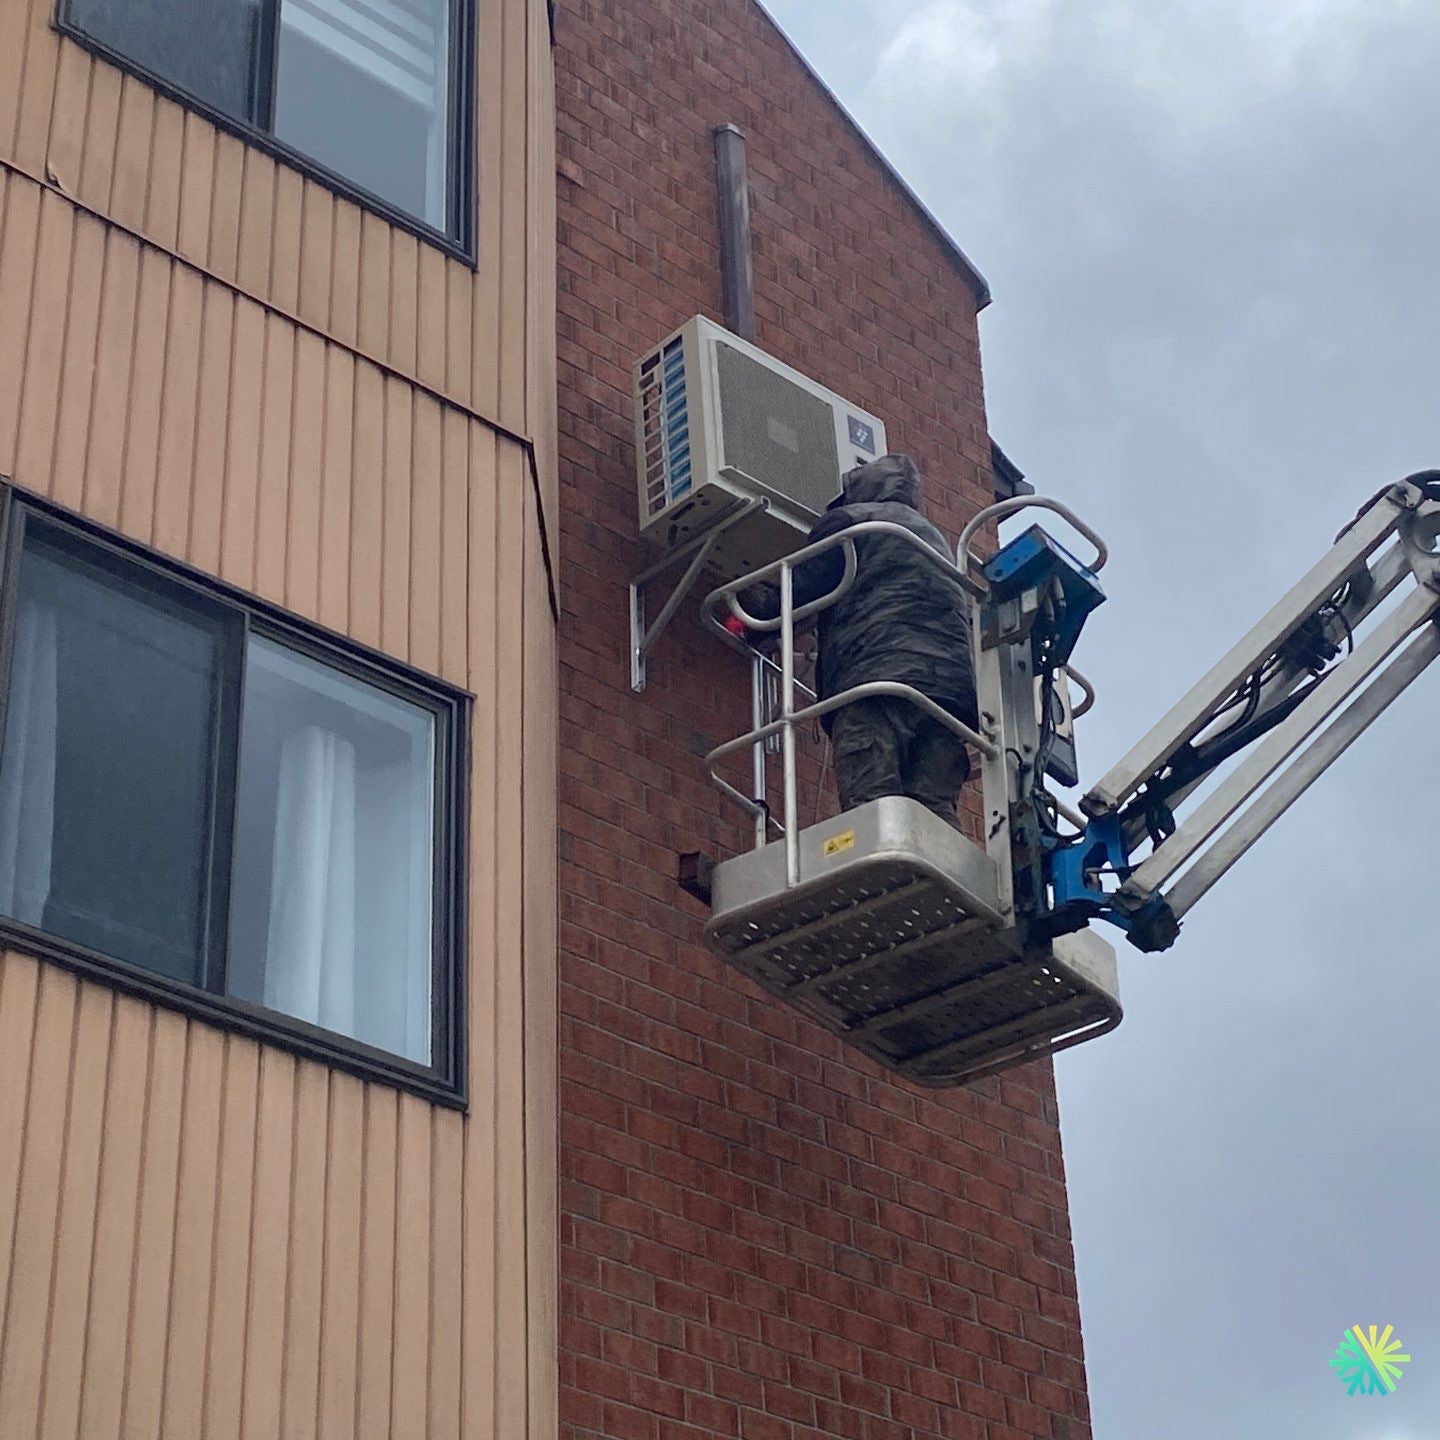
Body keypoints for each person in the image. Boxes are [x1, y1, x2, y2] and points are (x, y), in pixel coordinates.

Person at [739, 453, 978, 823]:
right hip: (949, 700)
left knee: (872, 805)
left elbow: (802, 586)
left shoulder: (853, 521)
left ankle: (886, 877)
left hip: (875, 683)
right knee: (934, 817)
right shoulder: (939, 543)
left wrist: (752, 621)